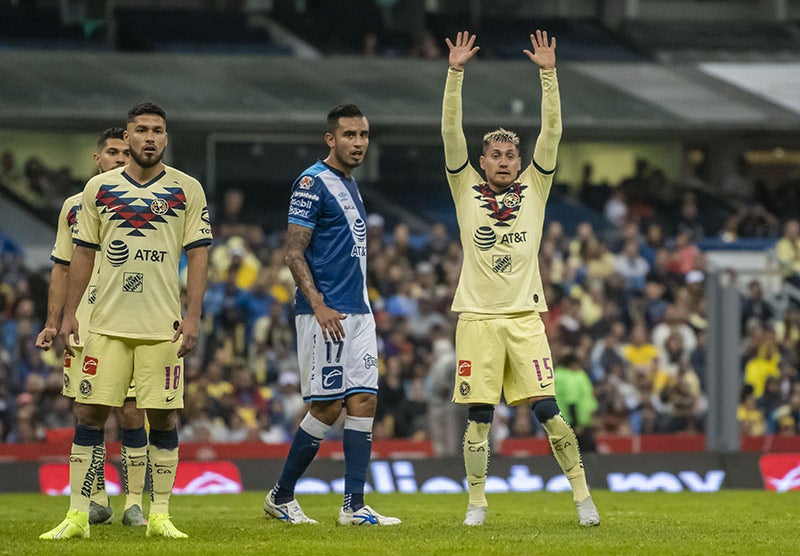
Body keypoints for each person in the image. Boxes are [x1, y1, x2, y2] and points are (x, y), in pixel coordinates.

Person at [441, 30, 599, 527]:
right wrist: (455, 74)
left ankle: (582, 496)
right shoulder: (463, 185)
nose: (506, 161)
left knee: (549, 409)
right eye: (497, 156)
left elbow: (551, 133)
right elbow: (450, 132)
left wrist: (548, 76)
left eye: (512, 155)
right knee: (479, 418)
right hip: (476, 318)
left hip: (526, 316)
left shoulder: (537, 185)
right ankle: (476, 504)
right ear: (482, 162)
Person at [40, 102, 212, 540]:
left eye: (157, 130)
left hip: (162, 327)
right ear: (128, 137)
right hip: (105, 324)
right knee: (89, 411)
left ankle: (159, 514)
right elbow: (81, 254)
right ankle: (78, 515)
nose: (149, 137)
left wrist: (192, 316)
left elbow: (198, 254)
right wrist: (71, 316)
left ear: (166, 138)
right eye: (141, 130)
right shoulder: (97, 190)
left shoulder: (188, 189)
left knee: (163, 417)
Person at [263, 104, 400, 526]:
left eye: (363, 135)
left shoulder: (351, 184)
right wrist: (319, 303)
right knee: (326, 407)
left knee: (364, 400)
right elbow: (293, 250)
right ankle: (281, 496)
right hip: (326, 312)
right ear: (331, 139)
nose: (358, 143)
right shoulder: (312, 181)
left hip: (358, 310)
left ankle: (354, 506)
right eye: (349, 135)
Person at [35, 128, 149, 528]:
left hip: (135, 320)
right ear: (97, 159)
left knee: (133, 411)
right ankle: (95, 498)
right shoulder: (74, 206)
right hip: (86, 323)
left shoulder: (150, 199)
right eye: (112, 152)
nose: (119, 158)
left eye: (124, 151)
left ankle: (134, 504)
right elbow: (61, 268)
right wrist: (53, 322)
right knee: (89, 409)